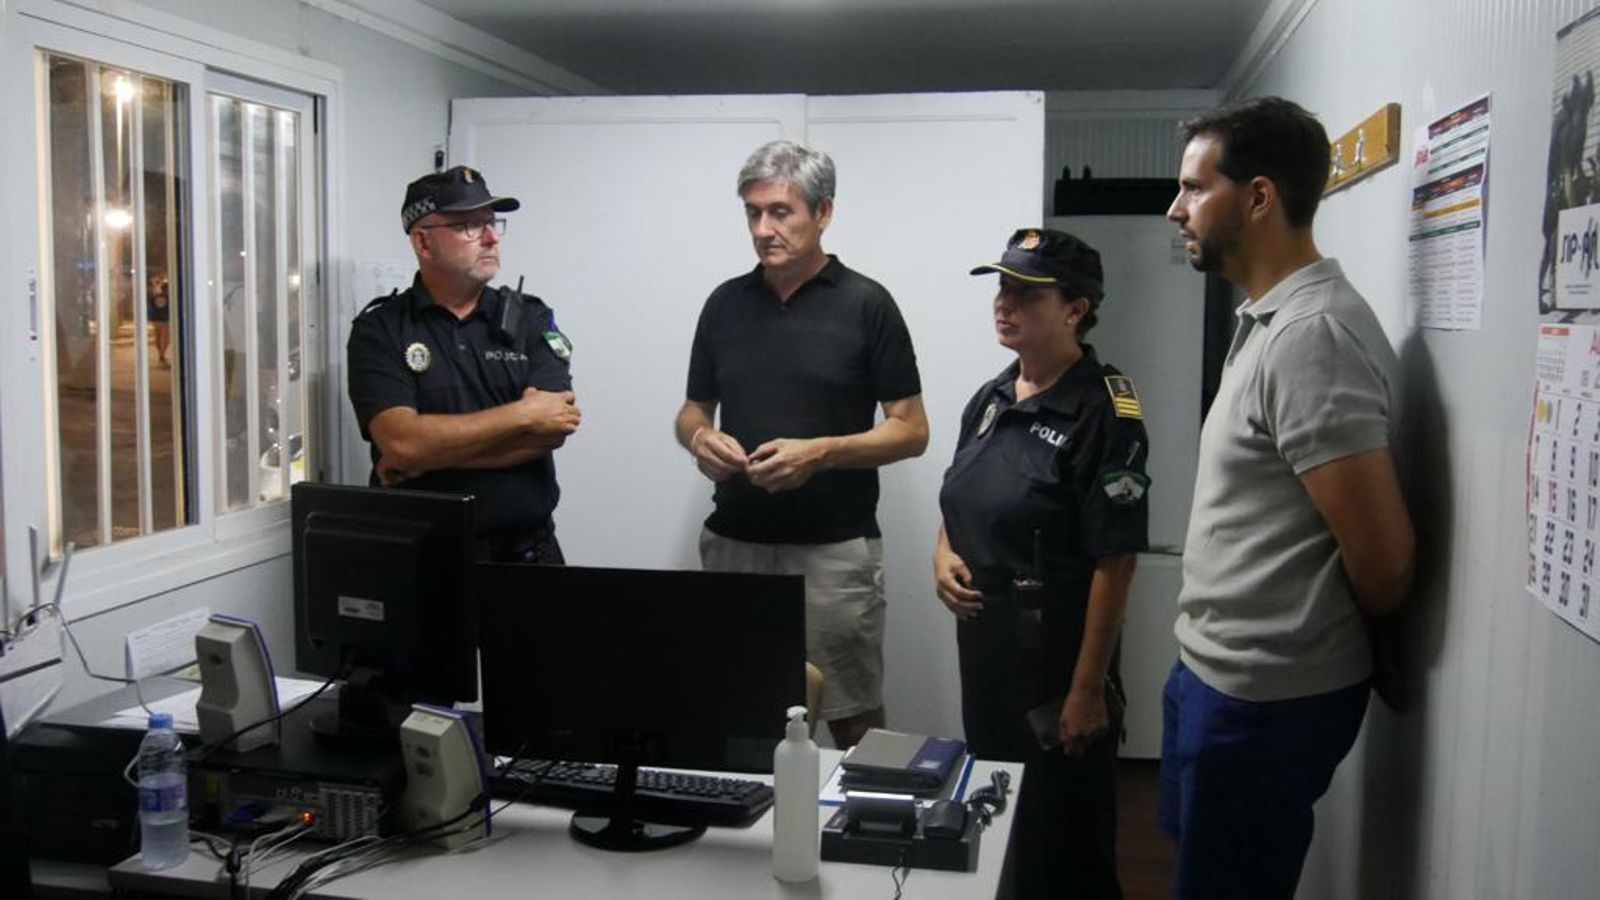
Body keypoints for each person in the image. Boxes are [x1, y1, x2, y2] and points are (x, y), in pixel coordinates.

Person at [1160, 97, 1415, 898]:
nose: (1176, 209)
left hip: (1262, 701)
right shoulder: (1269, 323)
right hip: (1215, 674)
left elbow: (1383, 562)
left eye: (1195, 188)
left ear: (1260, 197)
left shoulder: (1312, 339)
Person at [674, 140, 929, 750]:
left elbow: (912, 430)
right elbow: (691, 411)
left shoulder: (867, 304)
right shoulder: (724, 303)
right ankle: (746, 842)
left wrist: (821, 453)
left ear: (823, 213)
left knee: (852, 718)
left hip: (833, 555)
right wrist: (700, 439)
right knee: (735, 712)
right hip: (735, 548)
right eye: (753, 213)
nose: (764, 229)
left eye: (780, 212)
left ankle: (863, 841)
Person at [935, 228, 1147, 899]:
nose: (1005, 303)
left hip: (1058, 660)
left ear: (1075, 309)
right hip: (989, 653)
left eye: (1027, 293)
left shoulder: (1105, 408)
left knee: (1067, 837)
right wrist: (942, 555)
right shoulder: (993, 396)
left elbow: (1116, 561)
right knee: (1000, 820)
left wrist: (1087, 690)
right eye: (1002, 288)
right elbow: (962, 495)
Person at [347, 165, 581, 564]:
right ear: (423, 242)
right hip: (424, 561)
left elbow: (550, 431)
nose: (490, 237)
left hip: (528, 554)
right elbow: (401, 441)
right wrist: (523, 414)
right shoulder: (380, 330)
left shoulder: (532, 319)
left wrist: (421, 458)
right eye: (469, 226)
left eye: (492, 223)